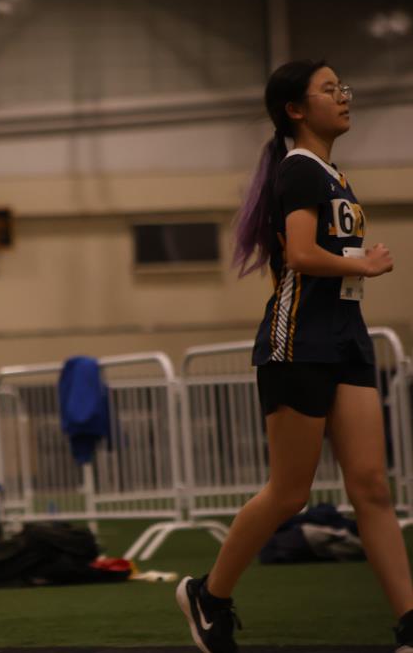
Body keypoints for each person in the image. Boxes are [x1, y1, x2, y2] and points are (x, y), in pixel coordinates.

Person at [176, 60, 413, 653]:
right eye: (329, 89)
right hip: (298, 340)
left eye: (343, 87)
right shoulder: (300, 170)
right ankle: (209, 594)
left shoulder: (331, 175)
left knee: (372, 487)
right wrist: (364, 265)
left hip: (347, 336)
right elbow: (301, 256)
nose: (344, 96)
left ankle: (410, 622)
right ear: (296, 110)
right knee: (289, 493)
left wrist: (357, 269)